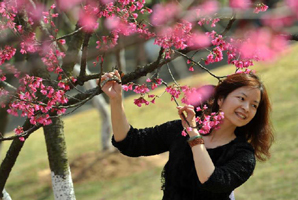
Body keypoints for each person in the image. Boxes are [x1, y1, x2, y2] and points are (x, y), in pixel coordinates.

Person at [100, 71, 274, 200]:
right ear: (221, 99)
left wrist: (193, 133)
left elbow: (212, 181)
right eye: (242, 98)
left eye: (254, 105)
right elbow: (130, 142)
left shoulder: (243, 154)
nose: (246, 108)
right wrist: (116, 100)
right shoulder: (181, 130)